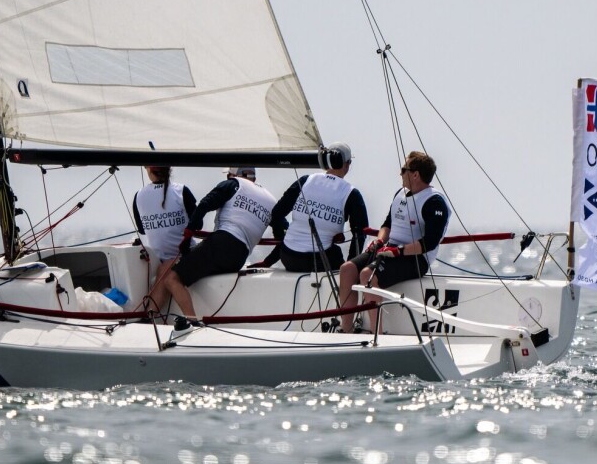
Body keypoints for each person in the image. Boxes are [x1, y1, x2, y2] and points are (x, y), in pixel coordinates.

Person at [339, 150, 450, 334]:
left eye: (404, 170)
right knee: (347, 269)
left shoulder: (434, 202)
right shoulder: (400, 193)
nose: (400, 173)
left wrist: (399, 251)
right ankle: (346, 330)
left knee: (367, 275)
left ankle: (377, 335)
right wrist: (379, 240)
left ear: (415, 174)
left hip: (415, 258)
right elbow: (387, 224)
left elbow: (430, 243)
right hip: (389, 249)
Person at [155, 166, 276, 322]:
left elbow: (205, 204)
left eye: (229, 175)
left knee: (171, 278)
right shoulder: (270, 200)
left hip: (221, 244)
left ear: (234, 175)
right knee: (184, 267)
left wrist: (188, 234)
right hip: (239, 257)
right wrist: (268, 261)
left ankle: (192, 322)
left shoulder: (233, 184)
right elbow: (283, 233)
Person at [269, 142, 369, 272]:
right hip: (321, 261)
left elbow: (276, 214)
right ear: (346, 164)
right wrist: (351, 268)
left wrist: (285, 239)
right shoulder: (351, 193)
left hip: (288, 257)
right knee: (337, 253)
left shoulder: (305, 180)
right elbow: (360, 233)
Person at [133, 164, 197, 274]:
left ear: (150, 169)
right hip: (188, 257)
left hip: (158, 261)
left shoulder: (138, 195)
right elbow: (198, 224)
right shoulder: (182, 190)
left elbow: (142, 230)